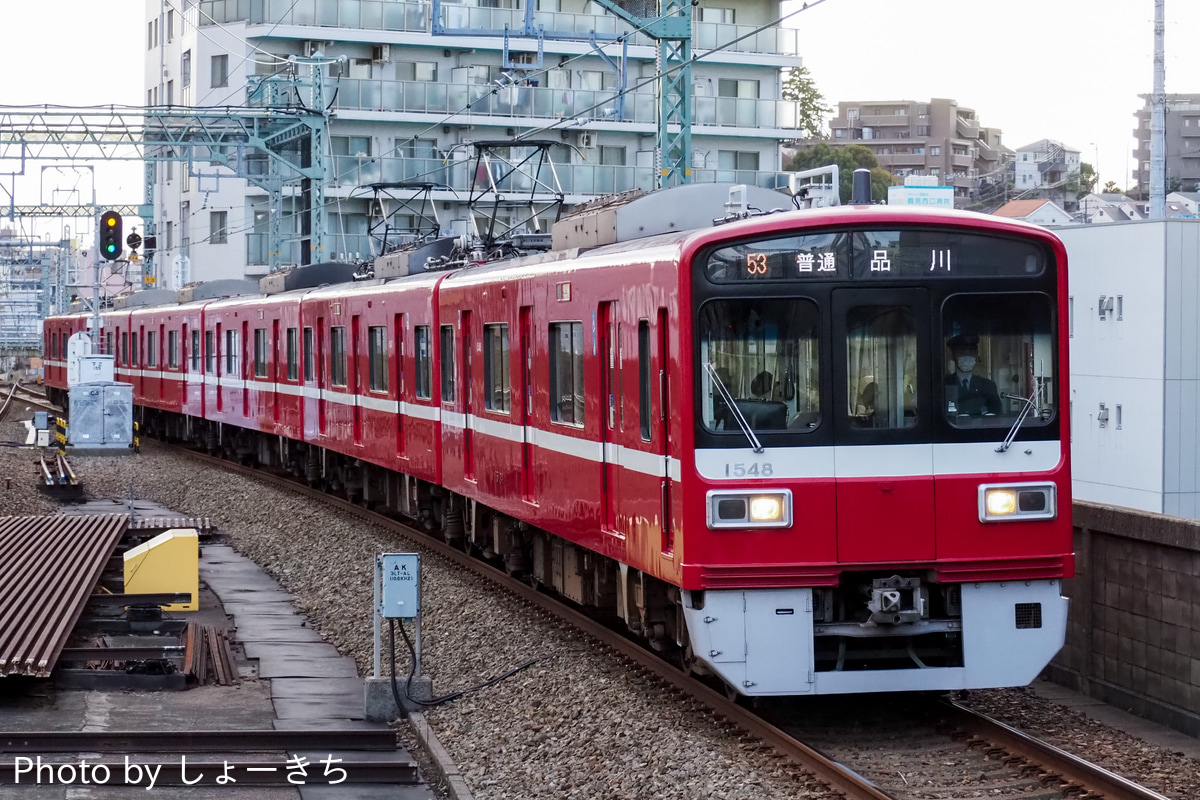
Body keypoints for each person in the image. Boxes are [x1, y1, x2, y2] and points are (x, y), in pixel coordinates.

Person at [945, 334, 1001, 416]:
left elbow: (996, 415)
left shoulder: (988, 386)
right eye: (962, 353)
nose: (967, 358)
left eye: (971, 353)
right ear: (954, 356)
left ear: (976, 355)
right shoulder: (945, 384)